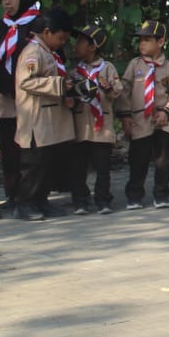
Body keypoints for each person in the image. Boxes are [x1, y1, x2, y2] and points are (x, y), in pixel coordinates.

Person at [13, 8, 76, 221]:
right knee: (34, 165)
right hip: (35, 120)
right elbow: (26, 81)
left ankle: (41, 200)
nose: (62, 43)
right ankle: (25, 203)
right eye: (60, 38)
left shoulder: (49, 52)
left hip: (50, 120)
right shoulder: (33, 52)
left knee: (48, 164)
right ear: (47, 32)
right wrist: (58, 84)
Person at [0, 0, 40, 210]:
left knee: (30, 146)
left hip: (29, 96)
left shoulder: (36, 25)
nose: (7, 3)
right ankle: (13, 194)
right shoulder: (0, 27)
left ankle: (33, 194)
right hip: (4, 97)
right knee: (9, 146)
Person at [116, 20, 169, 209]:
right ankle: (134, 194)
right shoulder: (135, 65)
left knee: (163, 159)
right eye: (140, 40)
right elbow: (125, 91)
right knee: (138, 158)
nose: (142, 44)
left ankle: (161, 194)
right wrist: (125, 116)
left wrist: (167, 112)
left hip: (163, 120)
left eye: (147, 40)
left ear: (160, 42)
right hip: (140, 119)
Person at [69, 24, 121, 215]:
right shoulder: (75, 72)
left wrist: (107, 88)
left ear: (93, 46)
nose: (77, 45)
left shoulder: (107, 68)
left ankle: (103, 199)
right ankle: (81, 200)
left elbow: (117, 91)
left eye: (81, 41)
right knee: (78, 166)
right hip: (81, 125)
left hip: (102, 126)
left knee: (102, 167)